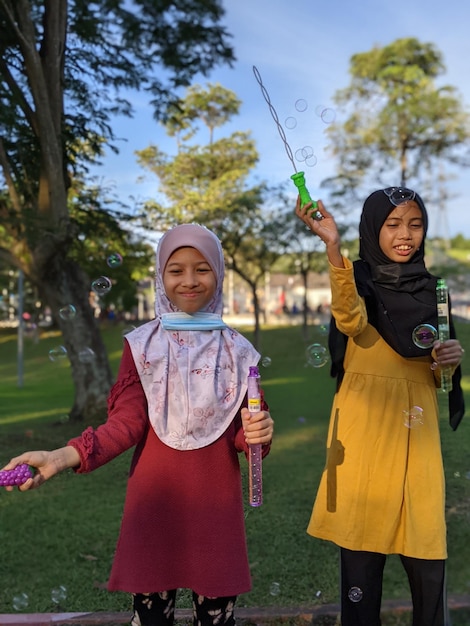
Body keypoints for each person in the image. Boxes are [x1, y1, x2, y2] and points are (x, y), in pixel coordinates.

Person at [3, 223, 274, 626]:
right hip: (154, 503)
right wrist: (61, 457)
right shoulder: (142, 345)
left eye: (202, 268)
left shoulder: (238, 351)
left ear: (218, 274)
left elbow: (245, 434)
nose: (189, 280)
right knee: (150, 619)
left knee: (217, 619)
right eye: (176, 269)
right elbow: (126, 423)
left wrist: (258, 433)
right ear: (160, 277)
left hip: (214, 506)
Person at [295, 187, 465, 626]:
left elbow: (439, 381)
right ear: (373, 228)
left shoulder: (434, 292)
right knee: (361, 563)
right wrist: (333, 248)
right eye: (393, 224)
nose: (405, 234)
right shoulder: (359, 282)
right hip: (365, 431)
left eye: (414, 223)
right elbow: (349, 319)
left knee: (427, 551)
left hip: (417, 433)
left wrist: (447, 362)